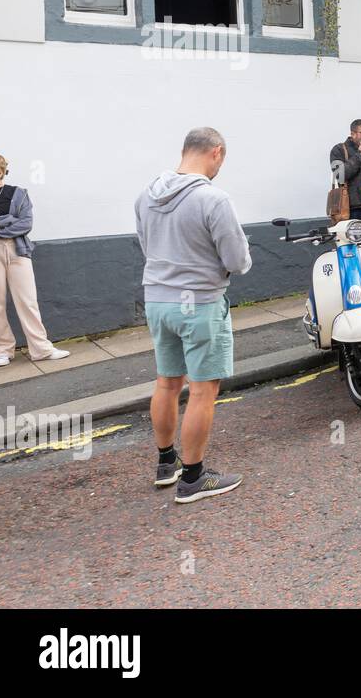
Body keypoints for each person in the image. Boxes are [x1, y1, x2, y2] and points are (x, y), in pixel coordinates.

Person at [135, 128, 251, 504]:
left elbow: (145, 245)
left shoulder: (146, 196)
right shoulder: (213, 199)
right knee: (203, 390)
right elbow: (237, 260)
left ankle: (166, 464)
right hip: (199, 302)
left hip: (157, 300)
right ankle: (194, 478)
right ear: (216, 153)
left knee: (167, 383)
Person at [0, 154, 70, 367]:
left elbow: (25, 224)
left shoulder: (18, 193)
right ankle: (1, 351)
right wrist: (8, 221)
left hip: (17, 249)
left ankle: (41, 349)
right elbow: (15, 222)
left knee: (28, 301)